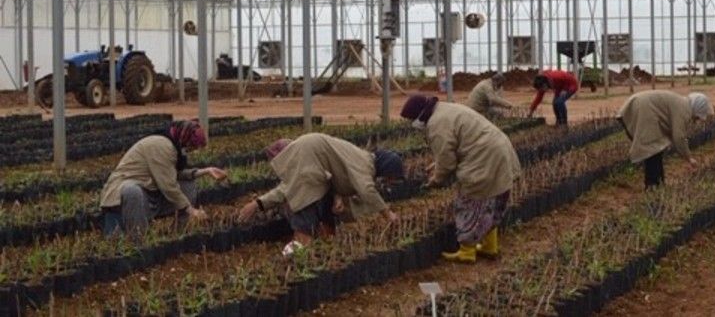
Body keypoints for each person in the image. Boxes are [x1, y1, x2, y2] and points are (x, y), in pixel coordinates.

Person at [400, 94, 522, 264]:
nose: (412, 123)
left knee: (469, 202)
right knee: (491, 201)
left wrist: (436, 180)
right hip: (498, 149)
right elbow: (456, 143)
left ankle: (467, 251)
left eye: (411, 119)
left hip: (483, 157)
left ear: (419, 115)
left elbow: (447, 162)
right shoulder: (445, 109)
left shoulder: (436, 124)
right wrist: (437, 164)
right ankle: (489, 246)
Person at [237, 133, 402, 246]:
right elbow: (367, 190)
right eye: (390, 177)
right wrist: (388, 214)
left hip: (318, 179)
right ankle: (296, 259)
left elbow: (333, 173)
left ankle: (319, 249)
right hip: (312, 179)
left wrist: (337, 197)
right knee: (304, 214)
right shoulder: (365, 164)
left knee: (322, 216)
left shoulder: (361, 160)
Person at [100, 119, 226, 240]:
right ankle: (138, 240)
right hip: (123, 201)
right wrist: (191, 210)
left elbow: (172, 174)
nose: (191, 151)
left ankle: (178, 233)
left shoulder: (172, 146)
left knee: (188, 186)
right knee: (132, 191)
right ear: (185, 138)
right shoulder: (162, 145)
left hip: (148, 192)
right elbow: (168, 185)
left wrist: (205, 171)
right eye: (191, 147)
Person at [617, 91, 711, 188]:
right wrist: (689, 158)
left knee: (655, 150)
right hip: (643, 110)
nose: (696, 119)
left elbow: (674, 134)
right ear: (697, 109)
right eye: (697, 117)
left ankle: (658, 183)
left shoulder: (682, 103)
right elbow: (679, 137)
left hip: (639, 105)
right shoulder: (684, 110)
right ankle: (653, 186)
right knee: (652, 150)